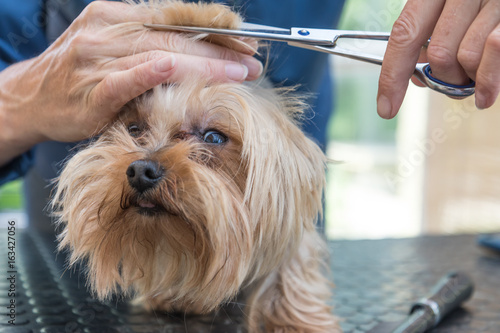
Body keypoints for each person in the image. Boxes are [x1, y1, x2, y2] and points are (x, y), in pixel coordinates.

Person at [1, 0, 499, 230]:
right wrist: (22, 97)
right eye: (133, 129)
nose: (145, 162)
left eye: (211, 138)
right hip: (64, 256)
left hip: (276, 223)